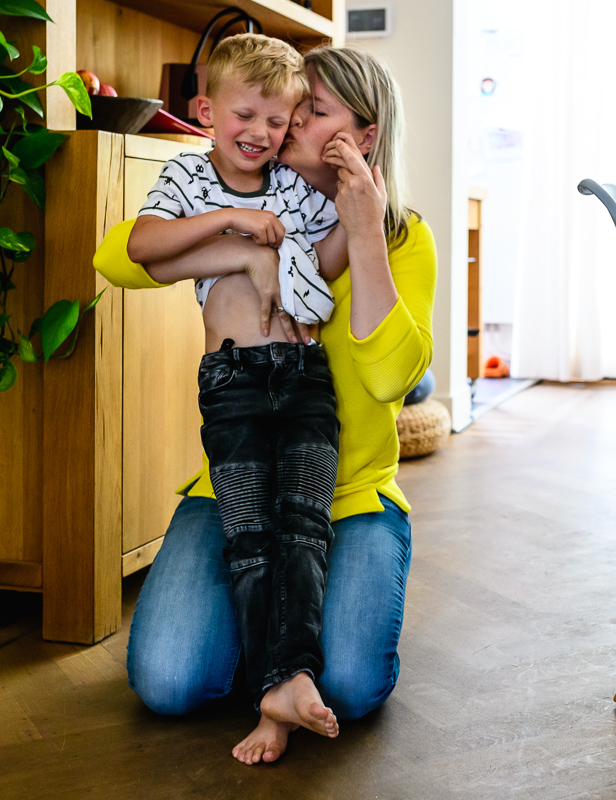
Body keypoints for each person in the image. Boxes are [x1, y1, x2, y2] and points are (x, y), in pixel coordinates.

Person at [94, 45, 437, 766]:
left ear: (363, 137)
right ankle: (275, 649)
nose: (280, 127)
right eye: (277, 111)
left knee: (351, 681)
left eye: (307, 112)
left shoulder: (399, 235)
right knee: (168, 680)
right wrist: (241, 251)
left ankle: (278, 656)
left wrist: (367, 228)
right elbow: (122, 257)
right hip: (234, 469)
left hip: (348, 493)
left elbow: (389, 380)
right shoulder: (252, 189)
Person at [127, 32, 347, 750]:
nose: (259, 133)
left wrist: (357, 201)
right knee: (248, 538)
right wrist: (231, 223)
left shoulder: (290, 186)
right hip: (234, 387)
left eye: (276, 122)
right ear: (206, 109)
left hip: (306, 379)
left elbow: (327, 254)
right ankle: (272, 691)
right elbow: (142, 246)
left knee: (303, 532)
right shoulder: (189, 179)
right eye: (244, 115)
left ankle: (284, 691)